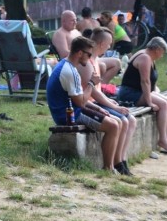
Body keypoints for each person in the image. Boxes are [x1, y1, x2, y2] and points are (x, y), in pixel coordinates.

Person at [47, 36, 122, 171]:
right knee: (113, 126)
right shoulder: (69, 71)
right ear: (80, 53)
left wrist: (97, 108)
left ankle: (114, 165)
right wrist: (92, 83)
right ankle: (108, 168)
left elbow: (80, 98)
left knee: (117, 121)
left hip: (70, 109)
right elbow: (81, 103)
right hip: (68, 115)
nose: (89, 58)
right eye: (89, 54)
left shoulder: (67, 65)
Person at [80, 27, 137, 175]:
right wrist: (114, 107)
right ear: (100, 44)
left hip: (96, 102)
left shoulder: (96, 59)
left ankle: (121, 160)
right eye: (109, 43)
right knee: (122, 120)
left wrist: (112, 103)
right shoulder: (88, 63)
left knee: (131, 119)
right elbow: (94, 93)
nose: (110, 46)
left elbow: (98, 91)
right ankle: (115, 163)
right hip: (90, 104)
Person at [117, 37, 167, 153]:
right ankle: (162, 139)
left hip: (138, 91)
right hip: (130, 93)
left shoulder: (149, 57)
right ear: (157, 49)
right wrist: (149, 102)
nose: (162, 55)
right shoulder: (145, 57)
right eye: (163, 52)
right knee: (163, 103)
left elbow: (151, 82)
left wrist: (155, 92)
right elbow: (145, 81)